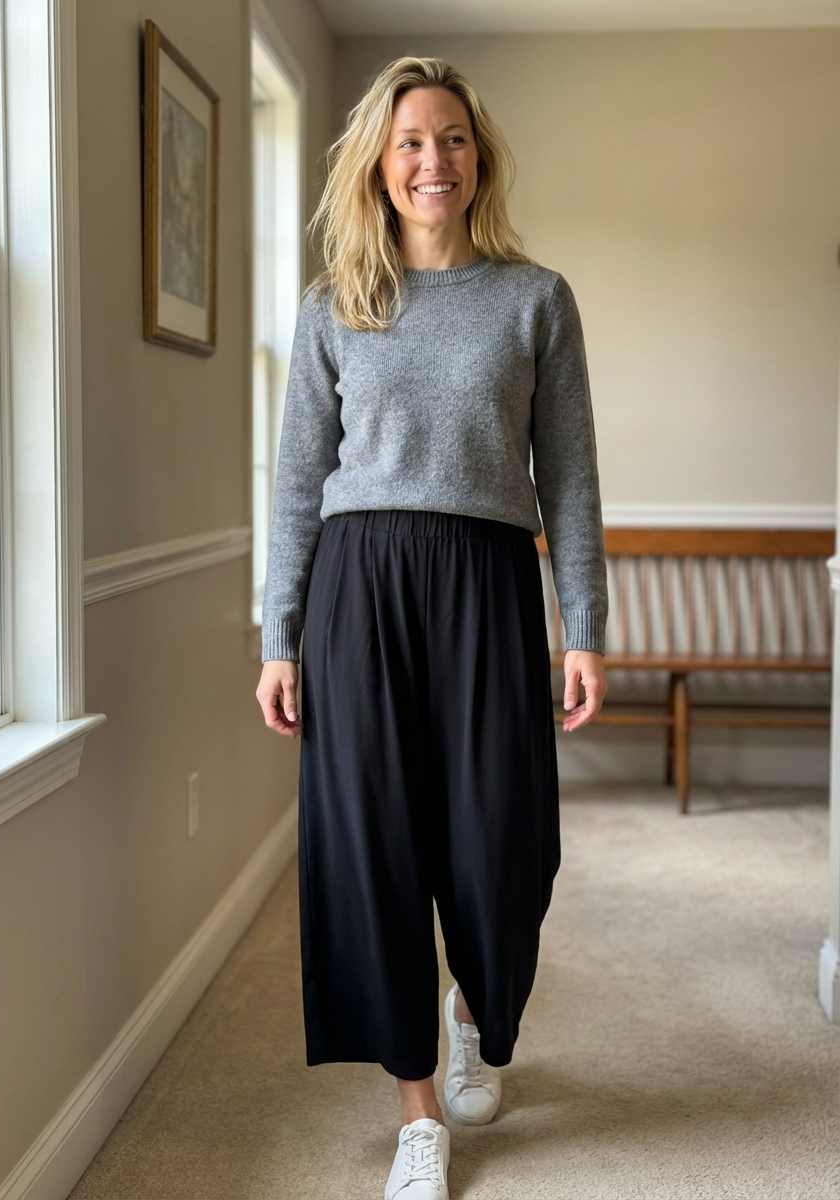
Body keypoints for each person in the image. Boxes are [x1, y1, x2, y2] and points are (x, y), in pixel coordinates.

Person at [256, 56, 608, 1200]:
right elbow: (296, 481)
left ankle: (471, 1013)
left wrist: (583, 628)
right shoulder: (332, 308)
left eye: (450, 138)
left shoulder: (534, 299)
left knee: (504, 843)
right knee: (375, 847)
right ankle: (416, 1110)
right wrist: (278, 636)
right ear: (377, 163)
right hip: (357, 591)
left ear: (477, 158)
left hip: (487, 583)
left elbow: (569, 478)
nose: (430, 160)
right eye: (408, 141)